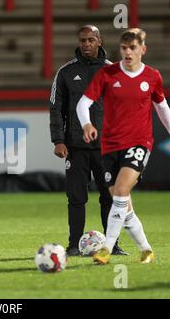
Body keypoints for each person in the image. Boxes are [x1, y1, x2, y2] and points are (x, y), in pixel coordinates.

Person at [76, 28, 170, 264]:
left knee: (120, 192)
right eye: (124, 48)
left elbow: (162, 107)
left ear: (142, 50)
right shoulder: (107, 74)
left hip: (139, 143)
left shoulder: (152, 76)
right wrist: (86, 124)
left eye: (133, 48)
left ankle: (106, 249)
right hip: (109, 146)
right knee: (123, 204)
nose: (128, 52)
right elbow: (83, 104)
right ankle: (146, 249)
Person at [49, 25, 126, 256]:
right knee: (76, 198)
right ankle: (73, 245)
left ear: (99, 41)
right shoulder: (65, 72)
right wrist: (58, 140)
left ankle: (113, 244)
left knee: (109, 196)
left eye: (91, 40)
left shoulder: (114, 71)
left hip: (107, 148)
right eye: (83, 40)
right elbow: (55, 108)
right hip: (75, 146)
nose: (86, 44)